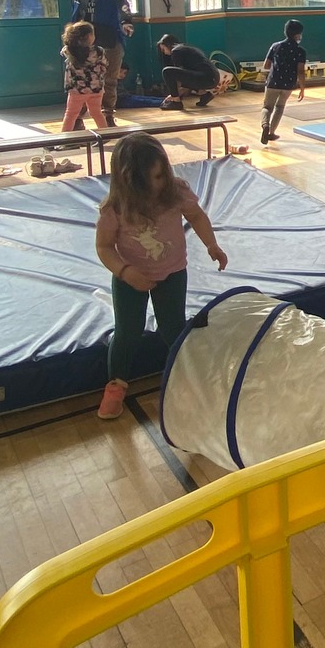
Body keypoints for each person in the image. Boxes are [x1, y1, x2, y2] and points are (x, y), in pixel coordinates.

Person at [94, 133, 227, 420]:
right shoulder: (115, 207)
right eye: (154, 178)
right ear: (132, 181)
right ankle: (116, 384)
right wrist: (125, 272)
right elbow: (104, 246)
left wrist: (211, 244)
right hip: (130, 279)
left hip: (172, 272)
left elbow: (196, 216)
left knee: (172, 326)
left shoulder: (174, 192)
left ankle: (187, 374)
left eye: (163, 173)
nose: (162, 182)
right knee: (128, 331)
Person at [68, 0, 134, 126]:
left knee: (110, 77)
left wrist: (126, 22)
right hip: (86, 37)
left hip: (111, 36)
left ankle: (108, 114)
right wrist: (73, 34)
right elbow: (76, 13)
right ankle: (78, 118)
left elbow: (124, 6)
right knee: (82, 78)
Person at [260, 20, 307, 143]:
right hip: (288, 84)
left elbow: (266, 65)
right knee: (280, 107)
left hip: (273, 82)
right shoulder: (300, 51)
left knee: (267, 107)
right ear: (298, 35)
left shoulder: (275, 46)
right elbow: (300, 71)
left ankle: (265, 125)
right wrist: (302, 88)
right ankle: (271, 133)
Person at [61, 22, 107, 133]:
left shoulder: (69, 50)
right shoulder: (99, 51)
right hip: (96, 88)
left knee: (71, 114)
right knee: (96, 112)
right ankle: (106, 133)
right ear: (89, 36)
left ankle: (64, 137)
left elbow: (63, 53)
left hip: (77, 90)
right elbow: (104, 65)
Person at [156, 32, 219, 109]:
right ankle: (204, 94)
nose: (165, 53)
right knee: (187, 75)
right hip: (213, 78)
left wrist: (174, 95)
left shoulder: (176, 51)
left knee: (167, 71)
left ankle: (176, 102)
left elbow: (178, 78)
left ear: (168, 45)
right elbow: (186, 76)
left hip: (206, 77)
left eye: (163, 49)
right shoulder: (185, 48)